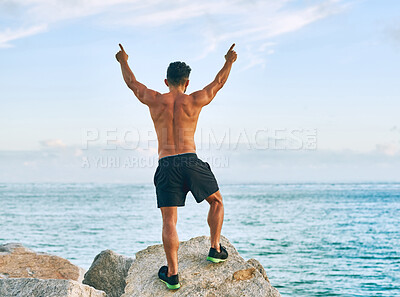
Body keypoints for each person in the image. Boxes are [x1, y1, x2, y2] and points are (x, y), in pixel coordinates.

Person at [116, 43, 237, 290]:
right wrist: (229, 61)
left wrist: (123, 61)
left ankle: (172, 274)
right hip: (190, 161)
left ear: (166, 81)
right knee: (217, 201)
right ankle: (215, 248)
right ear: (187, 82)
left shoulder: (155, 99)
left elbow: (133, 84)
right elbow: (218, 83)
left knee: (169, 220)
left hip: (167, 163)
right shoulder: (194, 99)